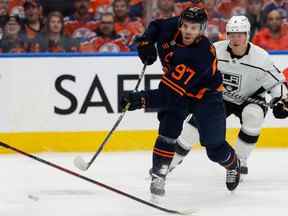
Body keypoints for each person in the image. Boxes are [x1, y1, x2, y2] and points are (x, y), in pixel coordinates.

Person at [121, 7, 242, 198]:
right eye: (185, 26)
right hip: (180, 94)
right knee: (168, 129)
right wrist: (146, 42)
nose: (188, 31)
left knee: (215, 148)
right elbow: (156, 26)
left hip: (206, 98)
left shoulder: (201, 54)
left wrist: (141, 99)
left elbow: (168, 94)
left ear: (202, 29)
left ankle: (233, 163)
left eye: (193, 28)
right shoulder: (172, 27)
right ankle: (159, 174)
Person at [168, 15, 288, 177]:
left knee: (253, 115)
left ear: (248, 35)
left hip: (250, 98)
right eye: (232, 34)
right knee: (193, 128)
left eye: (240, 34)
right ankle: (169, 162)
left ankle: (239, 162)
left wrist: (281, 101)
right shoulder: (215, 50)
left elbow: (276, 83)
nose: (235, 39)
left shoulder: (261, 58)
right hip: (220, 98)